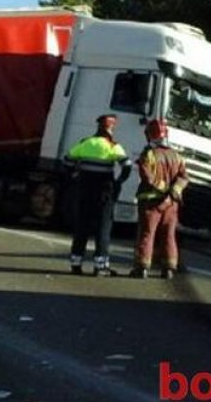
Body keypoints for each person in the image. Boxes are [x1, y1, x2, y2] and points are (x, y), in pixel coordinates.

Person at [65, 114, 132, 276]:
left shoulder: (85, 143)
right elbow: (127, 166)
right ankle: (100, 266)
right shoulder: (113, 146)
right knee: (103, 228)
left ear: (98, 128)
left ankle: (76, 263)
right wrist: (119, 181)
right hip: (104, 192)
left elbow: (68, 160)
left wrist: (74, 176)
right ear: (110, 129)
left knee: (82, 226)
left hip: (84, 190)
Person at [129, 119, 188, 279]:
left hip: (151, 202)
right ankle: (168, 268)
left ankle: (142, 267)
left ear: (150, 134)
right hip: (172, 205)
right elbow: (184, 178)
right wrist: (172, 194)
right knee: (169, 234)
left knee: (147, 233)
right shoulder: (177, 155)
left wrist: (163, 191)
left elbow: (147, 177)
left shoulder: (149, 153)